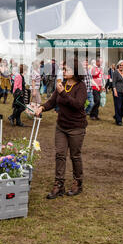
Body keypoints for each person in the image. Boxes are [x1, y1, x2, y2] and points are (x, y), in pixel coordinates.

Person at [35, 57, 87, 199]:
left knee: (75, 155)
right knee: (60, 155)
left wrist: (63, 92)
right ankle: (59, 185)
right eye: (63, 69)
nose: (63, 71)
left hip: (76, 127)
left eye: (67, 69)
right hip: (61, 126)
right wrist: (41, 107)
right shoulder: (61, 84)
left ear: (75, 71)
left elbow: (78, 105)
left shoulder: (81, 86)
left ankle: (78, 182)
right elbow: (52, 102)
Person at [112, 60, 123, 126]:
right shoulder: (115, 72)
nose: (121, 66)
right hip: (117, 91)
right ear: (118, 65)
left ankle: (117, 116)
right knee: (118, 107)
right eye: (120, 65)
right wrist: (115, 91)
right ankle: (119, 121)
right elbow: (113, 82)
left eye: (122, 65)